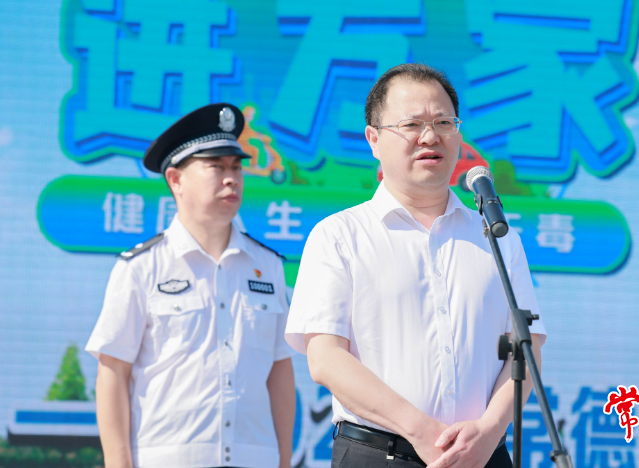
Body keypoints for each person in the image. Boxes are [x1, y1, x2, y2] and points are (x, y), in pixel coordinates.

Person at [284, 64, 547, 468]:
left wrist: (490, 430)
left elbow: (527, 349)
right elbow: (325, 359)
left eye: (444, 122)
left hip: (484, 455)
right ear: (374, 139)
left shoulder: (496, 236)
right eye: (411, 124)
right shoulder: (339, 235)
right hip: (379, 455)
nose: (430, 136)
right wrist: (422, 432)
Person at [86, 103, 295, 468]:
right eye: (215, 166)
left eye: (236, 167)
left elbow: (279, 371)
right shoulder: (141, 267)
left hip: (254, 459)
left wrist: (283, 459)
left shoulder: (268, 266)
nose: (231, 179)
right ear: (175, 180)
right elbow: (113, 371)